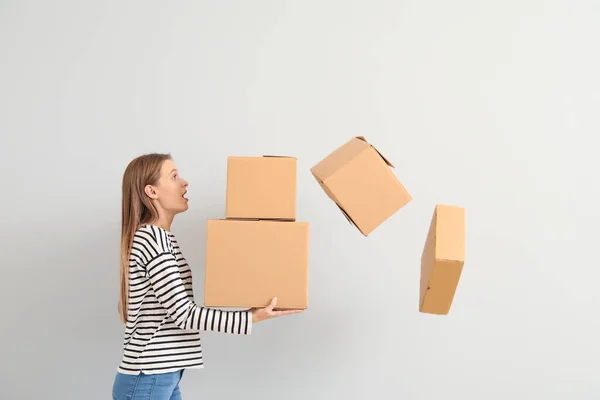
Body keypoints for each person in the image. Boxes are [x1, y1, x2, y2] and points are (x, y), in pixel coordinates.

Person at [112, 153, 303, 400]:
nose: (184, 182)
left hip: (161, 375)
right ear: (151, 191)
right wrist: (250, 318)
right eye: (173, 176)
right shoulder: (152, 238)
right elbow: (184, 314)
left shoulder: (162, 238)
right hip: (149, 376)